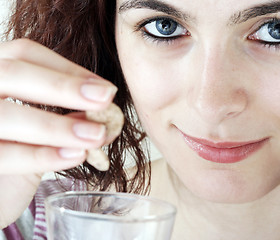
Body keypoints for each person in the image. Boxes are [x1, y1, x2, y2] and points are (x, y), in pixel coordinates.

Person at [1, 0, 280, 239]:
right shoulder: (23, 219)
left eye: (275, 31)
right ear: (109, 37)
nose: (210, 106)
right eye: (164, 26)